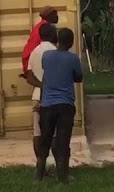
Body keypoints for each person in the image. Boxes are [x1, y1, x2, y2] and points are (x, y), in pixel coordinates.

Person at [35, 27, 82, 183]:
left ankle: (38, 177)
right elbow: (78, 77)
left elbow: (45, 70)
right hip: (65, 104)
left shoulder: (47, 56)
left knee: (45, 140)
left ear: (57, 40)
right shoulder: (73, 58)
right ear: (71, 42)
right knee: (63, 140)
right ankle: (63, 177)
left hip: (47, 104)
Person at [23, 22, 58, 159]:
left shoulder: (34, 52)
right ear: (52, 34)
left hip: (37, 97)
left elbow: (29, 77)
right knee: (55, 133)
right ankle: (59, 165)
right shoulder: (56, 51)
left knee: (38, 133)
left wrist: (41, 85)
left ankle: (40, 165)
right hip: (54, 97)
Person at [22, 8, 58, 74]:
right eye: (54, 14)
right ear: (48, 16)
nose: (57, 16)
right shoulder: (45, 28)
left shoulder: (41, 26)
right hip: (33, 63)